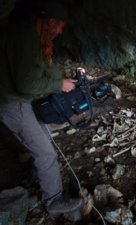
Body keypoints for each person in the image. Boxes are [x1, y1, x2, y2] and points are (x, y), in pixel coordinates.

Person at [0, 1, 83, 216]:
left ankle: (34, 162)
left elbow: (44, 67)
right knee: (46, 153)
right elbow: (26, 84)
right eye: (61, 26)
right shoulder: (26, 37)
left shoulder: (32, 34)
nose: (60, 30)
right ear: (51, 21)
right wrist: (58, 85)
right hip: (13, 103)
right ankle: (53, 200)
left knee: (44, 134)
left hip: (18, 101)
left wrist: (65, 79)